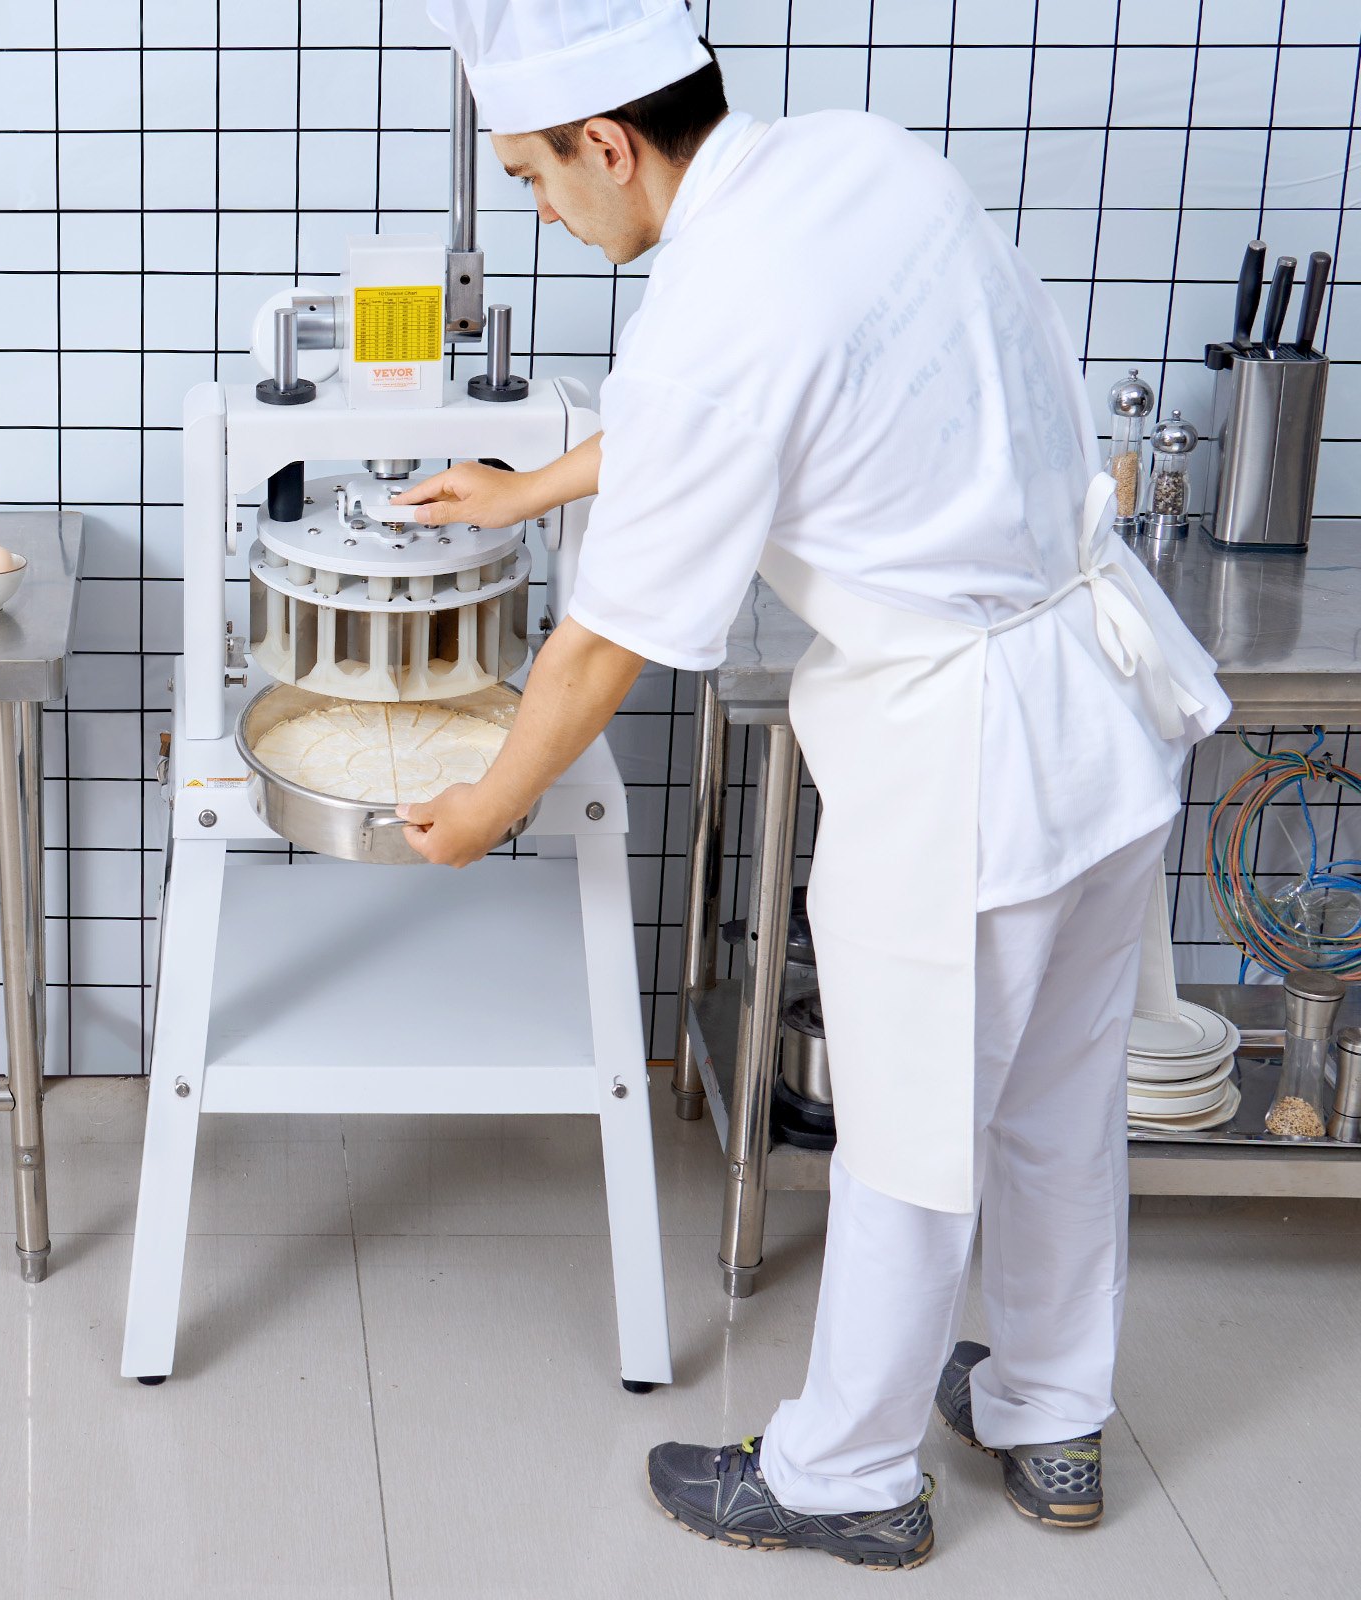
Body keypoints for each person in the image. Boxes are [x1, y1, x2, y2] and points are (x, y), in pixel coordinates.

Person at [400, 0, 1229, 1572]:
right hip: (1102, 716)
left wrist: (484, 810)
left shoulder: (712, 315)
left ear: (607, 144)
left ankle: (847, 1474)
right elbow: (747, 414)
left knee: (915, 1131)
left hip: (965, 764)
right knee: (1058, 1109)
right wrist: (535, 483)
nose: (536, 211)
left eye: (529, 178)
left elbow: (600, 648)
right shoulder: (859, 166)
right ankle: (1053, 1419)